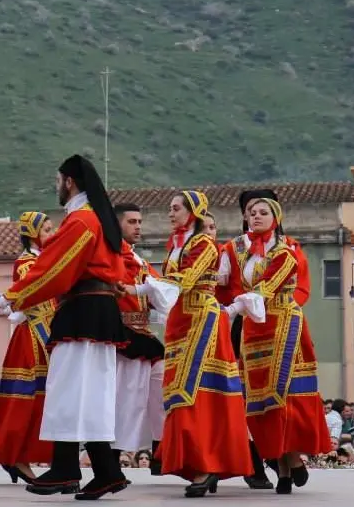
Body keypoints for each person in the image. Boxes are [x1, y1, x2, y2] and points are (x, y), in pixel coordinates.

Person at [0, 155, 129, 500]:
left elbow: (51, 269)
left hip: (82, 311)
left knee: (68, 389)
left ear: (69, 181)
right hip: (98, 312)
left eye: (57, 180)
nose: (55, 187)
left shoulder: (81, 221)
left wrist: (3, 300)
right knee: (89, 393)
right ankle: (104, 471)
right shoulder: (98, 220)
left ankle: (67, 469)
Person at [123, 190, 257, 497]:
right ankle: (198, 462)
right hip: (182, 320)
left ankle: (206, 463)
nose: (170, 213)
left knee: (197, 390)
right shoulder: (177, 244)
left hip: (202, 320)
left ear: (192, 212)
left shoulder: (204, 244)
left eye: (175, 208)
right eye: (170, 209)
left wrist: (136, 287)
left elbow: (183, 280)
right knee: (178, 390)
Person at [218, 194, 331, 494]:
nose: (255, 216)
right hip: (254, 328)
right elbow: (220, 279)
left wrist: (232, 309)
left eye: (263, 212)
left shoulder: (286, 250)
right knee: (259, 400)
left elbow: (268, 288)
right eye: (251, 212)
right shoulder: (237, 249)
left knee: (285, 393)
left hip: (283, 323)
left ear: (276, 217)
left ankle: (290, 459)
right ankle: (283, 464)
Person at [0, 211, 57, 484]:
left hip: (46, 336)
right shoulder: (27, 263)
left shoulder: (47, 260)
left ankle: (20, 457)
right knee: (24, 401)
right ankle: (12, 454)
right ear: (33, 235)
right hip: (32, 337)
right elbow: (27, 297)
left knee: (40, 401)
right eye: (46, 230)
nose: (52, 233)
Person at [110, 203, 177, 476]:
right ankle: (112, 456)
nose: (138, 227)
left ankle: (160, 451)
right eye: (132, 222)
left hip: (145, 337)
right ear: (117, 225)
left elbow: (162, 294)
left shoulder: (142, 263)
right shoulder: (111, 259)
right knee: (123, 398)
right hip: (119, 337)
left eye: (140, 221)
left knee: (161, 392)